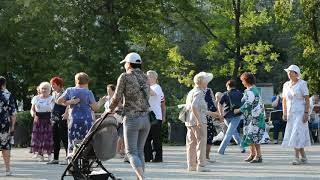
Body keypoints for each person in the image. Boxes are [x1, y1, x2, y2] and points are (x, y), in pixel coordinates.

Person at [107, 52, 150, 180]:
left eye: (125, 63)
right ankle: (140, 178)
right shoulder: (145, 77)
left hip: (132, 118)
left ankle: (142, 178)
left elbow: (117, 97)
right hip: (146, 119)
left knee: (131, 152)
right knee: (140, 151)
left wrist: (109, 110)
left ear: (129, 64)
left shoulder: (125, 76)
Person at [57, 72, 100, 158]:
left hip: (73, 121)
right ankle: (86, 161)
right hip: (86, 121)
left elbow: (58, 101)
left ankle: (72, 163)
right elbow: (95, 108)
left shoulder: (70, 90)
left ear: (76, 81)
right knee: (86, 142)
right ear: (87, 82)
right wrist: (101, 101)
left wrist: (70, 102)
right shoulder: (88, 92)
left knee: (72, 141)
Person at [185, 72, 217, 172]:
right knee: (201, 143)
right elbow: (195, 107)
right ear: (202, 82)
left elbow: (197, 108)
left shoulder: (192, 92)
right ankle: (201, 165)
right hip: (199, 121)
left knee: (191, 144)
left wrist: (212, 114)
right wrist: (199, 120)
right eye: (206, 81)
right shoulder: (199, 92)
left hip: (190, 121)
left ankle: (191, 165)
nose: (207, 83)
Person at [281, 65, 311, 165]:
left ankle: (296, 157)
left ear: (296, 74)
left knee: (296, 133)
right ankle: (304, 156)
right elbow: (284, 100)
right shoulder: (286, 85)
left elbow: (307, 100)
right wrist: (284, 112)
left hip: (300, 112)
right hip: (290, 113)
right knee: (295, 134)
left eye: (291, 72)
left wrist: (306, 113)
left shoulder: (302, 84)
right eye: (288, 72)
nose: (289, 74)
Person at [234, 72, 265, 163]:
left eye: (243, 81)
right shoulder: (253, 89)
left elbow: (248, 103)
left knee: (254, 135)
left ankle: (258, 156)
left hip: (254, 117)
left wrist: (238, 110)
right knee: (250, 135)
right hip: (252, 116)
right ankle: (252, 154)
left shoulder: (251, 91)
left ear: (247, 81)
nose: (242, 83)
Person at [218, 80, 245, 154]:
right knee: (231, 132)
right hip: (236, 115)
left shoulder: (225, 94)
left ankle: (242, 147)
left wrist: (220, 114)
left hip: (226, 115)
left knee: (233, 132)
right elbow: (244, 103)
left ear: (228, 86)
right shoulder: (240, 93)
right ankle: (221, 150)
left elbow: (220, 104)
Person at [144, 70, 166, 163]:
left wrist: (144, 85)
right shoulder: (150, 87)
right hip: (148, 116)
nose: (146, 78)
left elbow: (153, 94)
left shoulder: (157, 87)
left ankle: (158, 157)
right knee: (146, 138)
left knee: (156, 138)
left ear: (154, 78)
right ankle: (147, 156)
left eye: (148, 76)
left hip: (155, 116)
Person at [30, 82, 54, 162]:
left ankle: (50, 154)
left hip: (48, 118)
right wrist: (34, 115)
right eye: (42, 88)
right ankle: (40, 154)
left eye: (46, 88)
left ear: (49, 90)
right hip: (38, 118)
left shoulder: (52, 98)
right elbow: (32, 109)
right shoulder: (36, 98)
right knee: (38, 137)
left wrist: (52, 117)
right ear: (40, 89)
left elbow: (53, 110)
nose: (44, 90)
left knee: (48, 137)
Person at [47, 77, 68, 165]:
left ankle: (68, 158)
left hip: (62, 117)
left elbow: (68, 105)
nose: (52, 87)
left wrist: (67, 114)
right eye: (51, 85)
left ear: (59, 85)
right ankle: (56, 158)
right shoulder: (54, 93)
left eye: (53, 85)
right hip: (55, 118)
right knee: (55, 138)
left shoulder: (65, 92)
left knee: (64, 138)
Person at [0, 76, 17, 176]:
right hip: (4, 125)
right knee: (5, 147)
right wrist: (13, 126)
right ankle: (7, 170)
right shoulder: (8, 95)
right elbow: (13, 113)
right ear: (4, 84)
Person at [204, 82, 221, 162]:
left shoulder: (193, 91)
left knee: (199, 138)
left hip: (196, 117)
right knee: (208, 136)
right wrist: (216, 112)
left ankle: (198, 157)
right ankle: (206, 156)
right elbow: (212, 102)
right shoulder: (208, 90)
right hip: (207, 117)